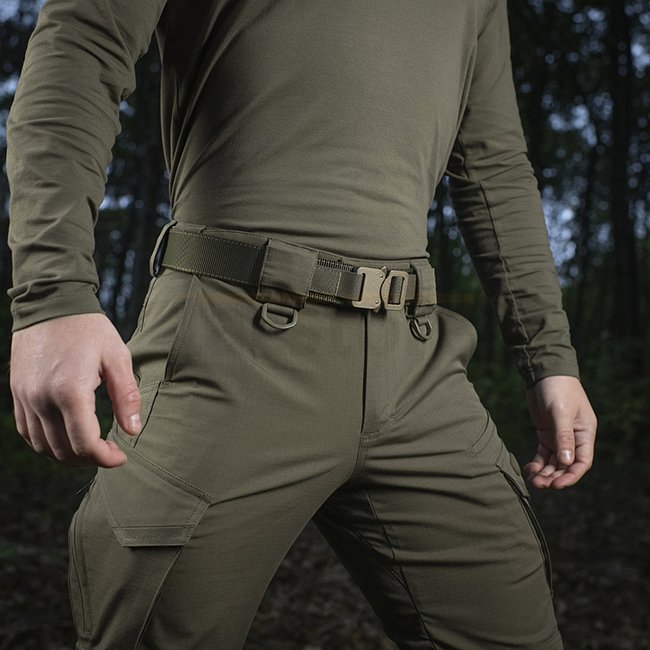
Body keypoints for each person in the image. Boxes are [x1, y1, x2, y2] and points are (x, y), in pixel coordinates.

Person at [6, 1, 597, 648]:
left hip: (419, 363)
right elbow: (83, 44)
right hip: (228, 341)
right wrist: (52, 293)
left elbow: (494, 163)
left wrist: (550, 357)